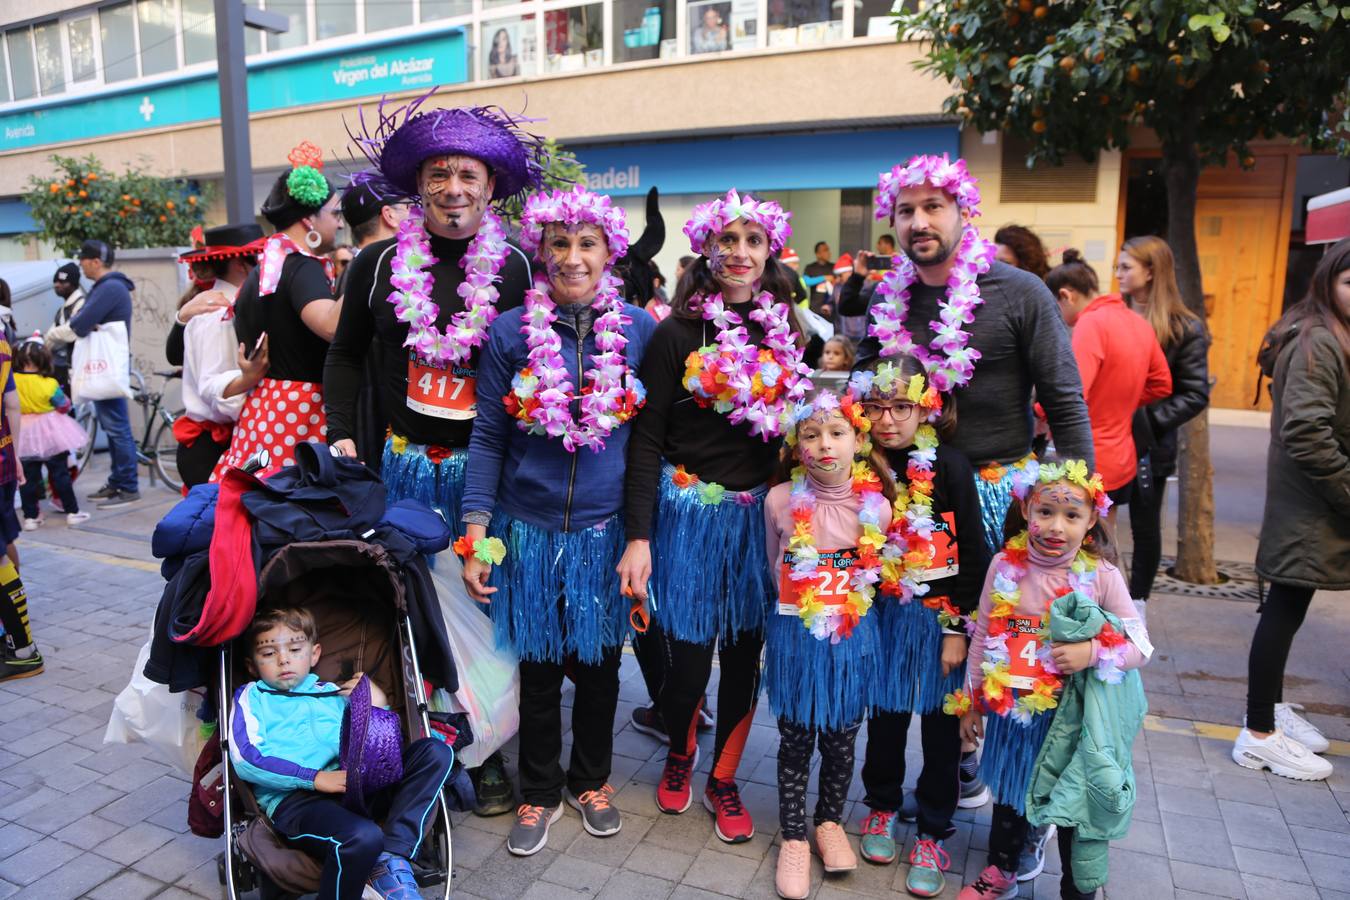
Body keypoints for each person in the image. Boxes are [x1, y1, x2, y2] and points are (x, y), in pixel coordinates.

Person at [328, 96, 541, 817]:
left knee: (490, 610)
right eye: (440, 174)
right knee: (419, 611)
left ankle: (486, 752)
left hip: (487, 474)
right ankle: (432, 742)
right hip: (406, 468)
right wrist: (341, 430)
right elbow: (346, 356)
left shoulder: (515, 268)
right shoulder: (378, 263)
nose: (454, 188)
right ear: (419, 186)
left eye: (469, 175)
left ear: (492, 188)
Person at [460, 186, 655, 855]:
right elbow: (487, 438)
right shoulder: (511, 332)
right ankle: (538, 791)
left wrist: (639, 538)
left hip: (604, 536)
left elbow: (647, 449)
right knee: (539, 670)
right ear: (541, 252)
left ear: (610, 254)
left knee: (600, 669)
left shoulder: (640, 330)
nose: (573, 258)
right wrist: (477, 534)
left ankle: (590, 780)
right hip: (528, 532)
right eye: (560, 244)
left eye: (587, 244)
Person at [619, 188, 807, 845]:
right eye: (727, 240)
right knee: (688, 663)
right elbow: (645, 438)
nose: (739, 252)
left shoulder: (789, 334)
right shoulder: (675, 334)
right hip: (688, 517)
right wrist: (639, 534)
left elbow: (800, 433)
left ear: (770, 251)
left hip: (757, 524)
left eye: (752, 240)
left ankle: (723, 778)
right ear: (705, 248)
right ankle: (679, 747)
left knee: (745, 655)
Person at [954, 460, 1150, 900]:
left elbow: (1141, 646)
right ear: (1026, 510)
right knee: (1010, 795)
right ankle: (1000, 871)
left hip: (1073, 722)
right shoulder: (1004, 565)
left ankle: (1075, 891)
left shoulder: (1102, 576)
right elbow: (984, 632)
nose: (1056, 526)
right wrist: (970, 701)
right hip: (1015, 715)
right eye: (1045, 512)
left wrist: (1092, 651)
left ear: (1092, 520)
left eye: (1072, 515)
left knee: (1071, 804)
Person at [850, 358, 988, 895]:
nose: (888, 419)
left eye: (901, 406)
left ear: (926, 406)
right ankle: (881, 804)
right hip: (882, 616)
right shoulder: (858, 461)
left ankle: (933, 827)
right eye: (876, 407)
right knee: (884, 718)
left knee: (938, 728)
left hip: (936, 623)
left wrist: (958, 628)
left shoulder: (950, 466)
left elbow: (972, 554)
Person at [762, 390, 893, 899]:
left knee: (841, 741)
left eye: (837, 433)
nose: (824, 445)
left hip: (851, 643)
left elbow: (878, 579)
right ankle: (794, 837)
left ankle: (829, 823)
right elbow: (768, 566)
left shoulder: (877, 509)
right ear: (797, 447)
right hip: (795, 639)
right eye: (811, 435)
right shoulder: (778, 502)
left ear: (858, 441)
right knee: (795, 740)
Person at [229, 607, 455, 900]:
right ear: (252, 664)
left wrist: (376, 704)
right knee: (363, 837)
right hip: (299, 802)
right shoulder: (252, 698)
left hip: (355, 786)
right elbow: (245, 759)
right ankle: (374, 868)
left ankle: (391, 857)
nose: (284, 659)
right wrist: (314, 778)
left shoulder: (334, 692)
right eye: (269, 653)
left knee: (436, 752)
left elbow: (378, 746)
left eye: (295, 649)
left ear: (314, 654)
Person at [1232, 238, 1350, 782]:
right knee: (1284, 606)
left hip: (1316, 505)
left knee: (1289, 605)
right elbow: (1308, 431)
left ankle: (1269, 710)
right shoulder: (1319, 341)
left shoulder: (1331, 336)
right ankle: (1258, 734)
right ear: (1328, 282)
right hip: (1312, 506)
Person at [221, 143, 343, 474]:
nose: (340, 223)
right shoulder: (301, 268)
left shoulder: (266, 270)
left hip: (266, 408)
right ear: (309, 221)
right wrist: (369, 265)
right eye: (334, 213)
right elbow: (331, 326)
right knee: (295, 504)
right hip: (300, 413)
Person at [1115, 236, 1210, 606]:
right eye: (1118, 267)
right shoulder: (1113, 314)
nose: (1118, 274)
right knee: (1093, 518)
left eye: (1126, 267)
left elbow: (1195, 394)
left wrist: (1146, 422)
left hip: (1149, 445)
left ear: (1151, 271)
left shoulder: (1184, 327)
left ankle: (1137, 605)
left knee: (1144, 525)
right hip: (1106, 438)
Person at [1046, 249, 1172, 523]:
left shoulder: (1090, 323)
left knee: (1086, 550)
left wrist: (1038, 412)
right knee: (1105, 543)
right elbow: (1161, 384)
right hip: (1122, 456)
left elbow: (1072, 393)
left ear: (1066, 295)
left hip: (1088, 455)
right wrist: (1120, 400)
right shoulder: (1136, 322)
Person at [168, 225, 272, 488]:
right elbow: (213, 386)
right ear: (240, 263)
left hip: (225, 441)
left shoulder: (228, 305)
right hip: (211, 447)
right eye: (259, 256)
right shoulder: (219, 314)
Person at [336, 184, 411, 469]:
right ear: (389, 215)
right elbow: (344, 346)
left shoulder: (366, 267)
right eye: (408, 207)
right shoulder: (368, 269)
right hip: (372, 407)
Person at [70, 239, 139, 509]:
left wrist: (85, 321)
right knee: (113, 427)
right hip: (106, 367)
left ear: (95, 262)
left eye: (83, 260)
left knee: (117, 428)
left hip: (106, 367)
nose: (81, 264)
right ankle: (118, 481)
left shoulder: (109, 287)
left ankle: (128, 486)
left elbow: (80, 323)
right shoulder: (110, 286)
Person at [14, 338, 89, 528]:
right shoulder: (49, 383)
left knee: (28, 478)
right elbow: (63, 406)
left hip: (22, 432)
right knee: (60, 474)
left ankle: (31, 517)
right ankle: (72, 512)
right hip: (50, 432)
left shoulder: (12, 380)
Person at [44, 262, 88, 389]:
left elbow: (71, 332)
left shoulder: (82, 304)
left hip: (81, 369)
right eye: (56, 281)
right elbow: (49, 340)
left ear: (73, 284)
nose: (57, 285)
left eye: (62, 282)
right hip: (67, 369)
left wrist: (51, 335)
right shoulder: (63, 309)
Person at [804, 241, 835, 318]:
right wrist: (824, 278)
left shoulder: (833, 267)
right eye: (825, 250)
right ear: (818, 254)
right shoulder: (810, 267)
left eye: (828, 250)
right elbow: (806, 282)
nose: (829, 252)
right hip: (815, 308)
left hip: (830, 308)